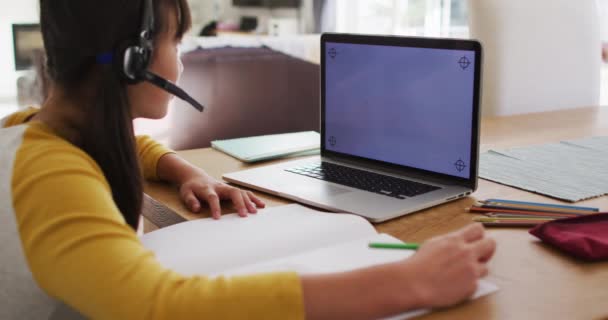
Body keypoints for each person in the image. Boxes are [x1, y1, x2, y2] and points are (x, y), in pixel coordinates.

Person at [0, 0, 496, 319]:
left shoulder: (36, 133)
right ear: (134, 58)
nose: (182, 58)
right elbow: (155, 306)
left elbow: (121, 144)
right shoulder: (51, 176)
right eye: (176, 41)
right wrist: (408, 282)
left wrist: (183, 168)